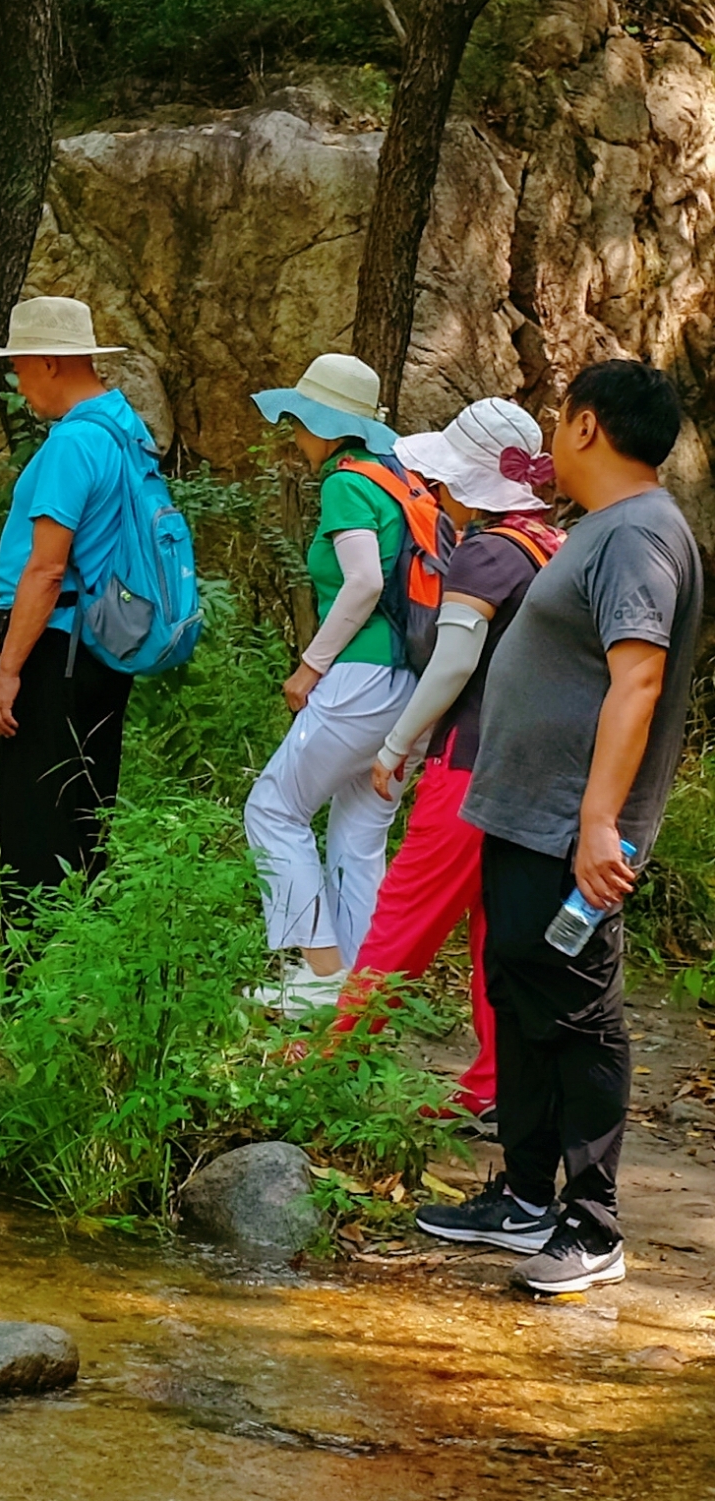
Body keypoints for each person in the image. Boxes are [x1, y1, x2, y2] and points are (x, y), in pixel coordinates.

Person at [416, 358, 703, 1293]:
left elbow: (640, 676)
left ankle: (593, 1222)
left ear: (586, 426)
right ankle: (526, 1194)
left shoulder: (638, 537)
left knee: (578, 1013)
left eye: (558, 413)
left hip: (568, 826)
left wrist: (597, 822)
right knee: (524, 995)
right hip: (528, 815)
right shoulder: (605, 530)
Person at [327, 399, 561, 1121]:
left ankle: (332, 1062)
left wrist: (398, 743)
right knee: (497, 929)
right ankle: (498, 1080)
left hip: (470, 763)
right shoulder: (549, 543)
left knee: (405, 911)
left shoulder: (487, 551)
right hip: (533, 770)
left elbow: (456, 658)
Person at [242, 353, 418, 1015]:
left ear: (325, 423)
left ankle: (318, 974)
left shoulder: (346, 482)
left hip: (361, 677)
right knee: (357, 832)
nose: (293, 431)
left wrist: (311, 664)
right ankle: (359, 989)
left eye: (299, 419)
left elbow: (365, 581)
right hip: (412, 685)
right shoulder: (399, 479)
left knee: (273, 808)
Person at [0, 295, 156, 892]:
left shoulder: (73, 443)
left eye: (20, 366)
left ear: (48, 363)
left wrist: (8, 670)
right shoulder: (123, 427)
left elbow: (46, 571)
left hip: (55, 648)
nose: (17, 382)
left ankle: (27, 975)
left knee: (35, 827)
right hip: (104, 645)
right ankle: (78, 967)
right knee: (84, 816)